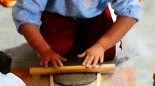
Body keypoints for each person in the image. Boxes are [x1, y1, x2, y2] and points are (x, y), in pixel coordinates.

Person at [12, 0, 142, 67]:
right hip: (56, 14)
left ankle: (82, 38)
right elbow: (25, 13)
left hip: (94, 13)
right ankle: (76, 39)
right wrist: (44, 49)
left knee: (109, 51)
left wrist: (102, 45)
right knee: (55, 53)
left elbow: (130, 10)